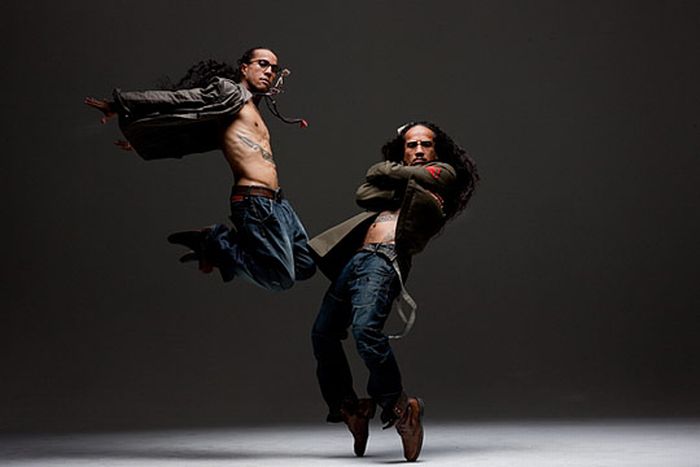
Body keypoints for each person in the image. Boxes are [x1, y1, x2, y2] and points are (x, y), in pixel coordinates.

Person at [309, 121, 478, 462]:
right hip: (357, 259)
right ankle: (351, 407)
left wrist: (395, 175)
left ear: (437, 150)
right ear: (402, 150)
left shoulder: (445, 174)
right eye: (411, 145)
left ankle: (402, 407)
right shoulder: (410, 183)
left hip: (384, 260)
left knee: (365, 331)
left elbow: (391, 175)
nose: (419, 150)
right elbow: (363, 193)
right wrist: (406, 180)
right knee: (323, 333)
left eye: (426, 144)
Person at [85, 47, 315, 291]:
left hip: (278, 203)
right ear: (244, 68)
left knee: (306, 264)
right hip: (254, 202)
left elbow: (196, 134)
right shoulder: (230, 93)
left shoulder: (247, 108)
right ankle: (214, 240)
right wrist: (121, 104)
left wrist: (152, 138)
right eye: (262, 64)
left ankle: (224, 246)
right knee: (280, 278)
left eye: (274, 68)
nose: (269, 71)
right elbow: (180, 100)